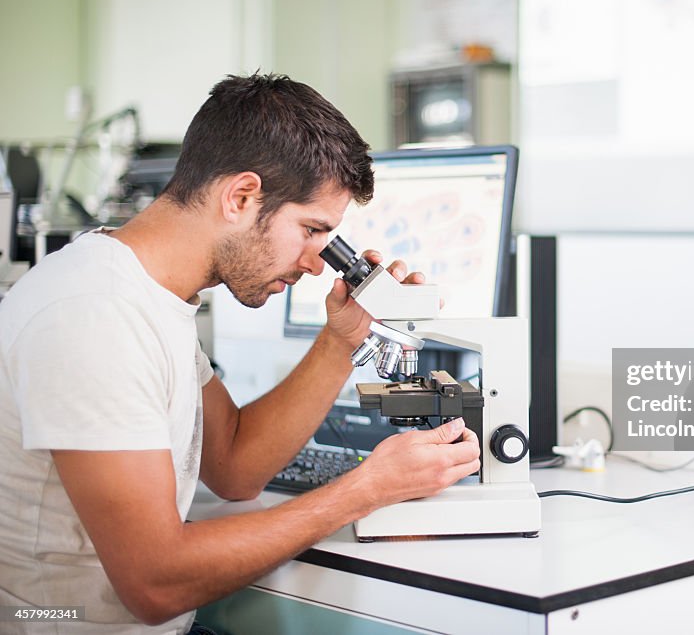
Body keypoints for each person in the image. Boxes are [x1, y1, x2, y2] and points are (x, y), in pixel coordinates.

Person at [0, 74, 481, 634]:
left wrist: (342, 339)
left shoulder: (147, 293)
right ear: (241, 197)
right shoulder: (93, 314)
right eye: (310, 230)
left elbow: (234, 466)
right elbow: (156, 583)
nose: (315, 263)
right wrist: (365, 489)